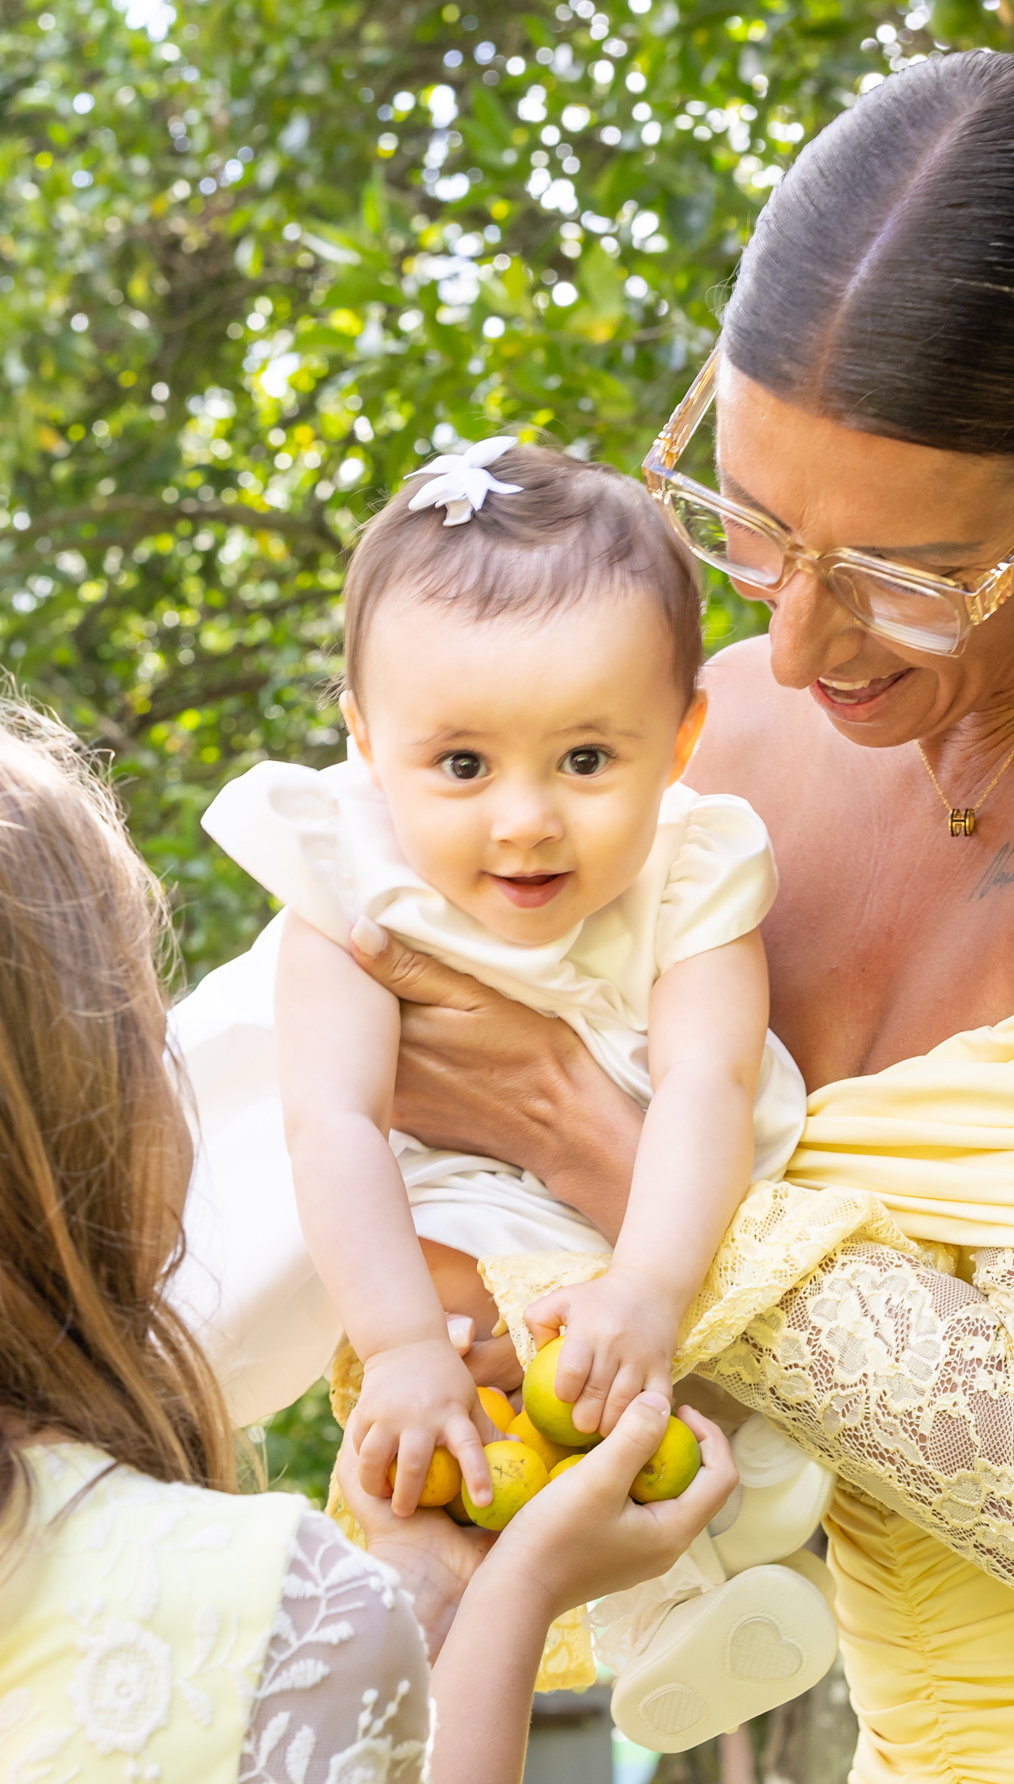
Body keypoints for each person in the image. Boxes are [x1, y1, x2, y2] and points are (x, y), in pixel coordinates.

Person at [334, 52, 1014, 1779]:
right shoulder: (699, 748)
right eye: (745, 521)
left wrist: (588, 1134)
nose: (795, 652)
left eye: (903, 577)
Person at [178, 441, 839, 1742]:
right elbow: (336, 1124)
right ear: (367, 744)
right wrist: (406, 1348)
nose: (526, 822)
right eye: (464, 767)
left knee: (659, 1381)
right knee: (431, 1332)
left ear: (682, 736)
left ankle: (678, 1590)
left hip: (650, 1182)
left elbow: (706, 1087)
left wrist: (648, 1292)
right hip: (418, 1185)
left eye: (588, 760)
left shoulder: (697, 870)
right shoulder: (351, 871)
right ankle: (456, 1564)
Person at [0, 694, 738, 1784]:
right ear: (81, 1119)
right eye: (149, 1028)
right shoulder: (264, 1612)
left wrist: (424, 1583)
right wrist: (516, 1590)